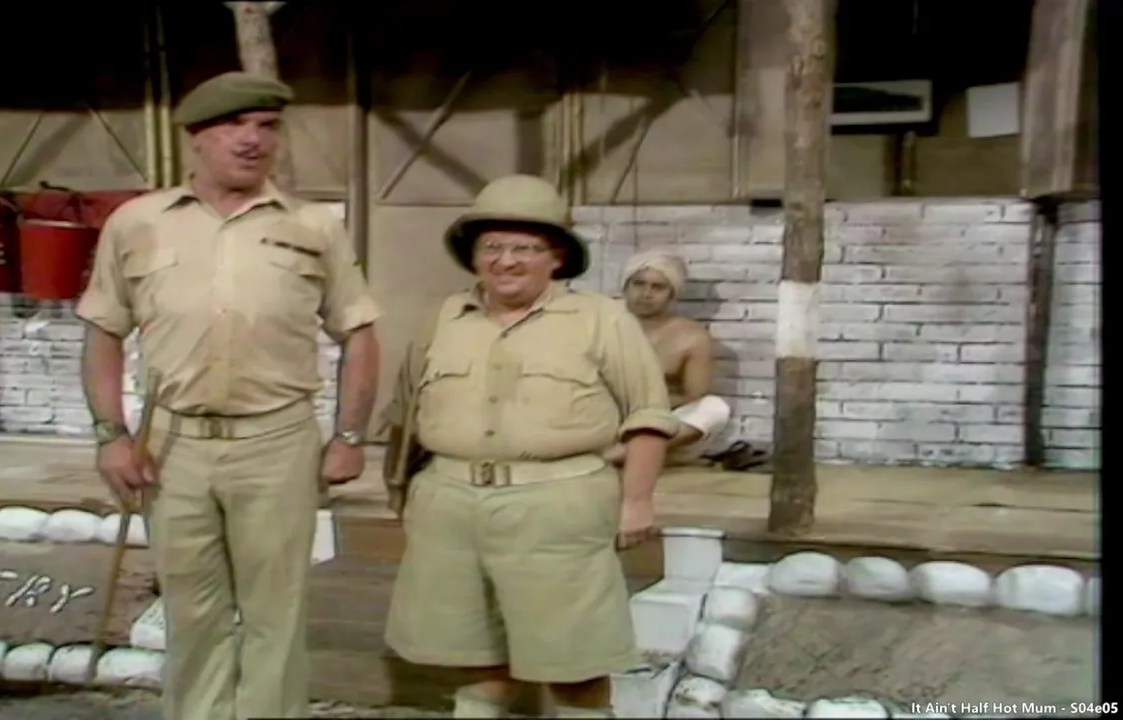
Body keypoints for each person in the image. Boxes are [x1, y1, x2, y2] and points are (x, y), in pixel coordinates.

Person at [77, 71, 381, 720]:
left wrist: (349, 436)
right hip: (173, 448)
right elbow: (103, 331)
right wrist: (111, 435)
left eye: (267, 126)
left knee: (277, 613)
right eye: (232, 126)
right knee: (193, 613)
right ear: (195, 137)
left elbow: (359, 331)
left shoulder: (313, 226)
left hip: (276, 443)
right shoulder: (136, 223)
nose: (251, 140)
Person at [382, 175, 677, 719]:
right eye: (491, 246)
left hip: (557, 510)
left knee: (574, 667)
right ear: (474, 256)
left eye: (525, 248)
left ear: (556, 256)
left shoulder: (601, 319)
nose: (506, 261)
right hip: (451, 509)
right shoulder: (443, 318)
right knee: (476, 662)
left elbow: (649, 415)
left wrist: (637, 500)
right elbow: (405, 412)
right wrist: (403, 492)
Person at [602, 249, 731, 466]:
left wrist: (644, 406)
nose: (646, 294)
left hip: (660, 428)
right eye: (639, 284)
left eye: (657, 287)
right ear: (625, 287)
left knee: (714, 408)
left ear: (672, 294)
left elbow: (693, 396)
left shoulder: (691, 337)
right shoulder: (600, 325)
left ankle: (616, 456)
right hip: (602, 419)